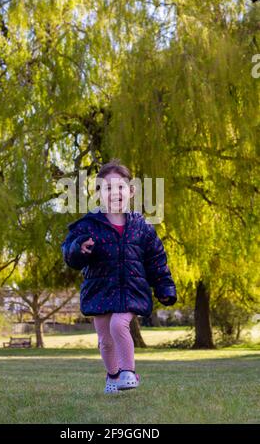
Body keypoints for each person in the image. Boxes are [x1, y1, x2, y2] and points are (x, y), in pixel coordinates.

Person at [61, 159, 177, 394]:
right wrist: (78, 249)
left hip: (130, 287)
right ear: (99, 194)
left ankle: (129, 372)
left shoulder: (141, 226)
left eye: (121, 187)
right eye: (108, 188)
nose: (115, 193)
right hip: (100, 288)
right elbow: (69, 254)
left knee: (119, 323)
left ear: (131, 191)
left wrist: (164, 287)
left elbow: (156, 259)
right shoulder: (88, 225)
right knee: (105, 339)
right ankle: (113, 376)